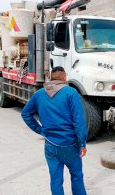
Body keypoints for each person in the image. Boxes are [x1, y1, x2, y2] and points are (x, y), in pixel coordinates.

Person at [21, 66, 87, 195]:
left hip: (50, 144)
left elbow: (26, 114)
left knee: (56, 180)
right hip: (70, 144)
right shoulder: (71, 92)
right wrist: (82, 143)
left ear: (51, 78)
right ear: (64, 77)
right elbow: (78, 121)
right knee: (77, 176)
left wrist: (40, 130)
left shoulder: (39, 94)